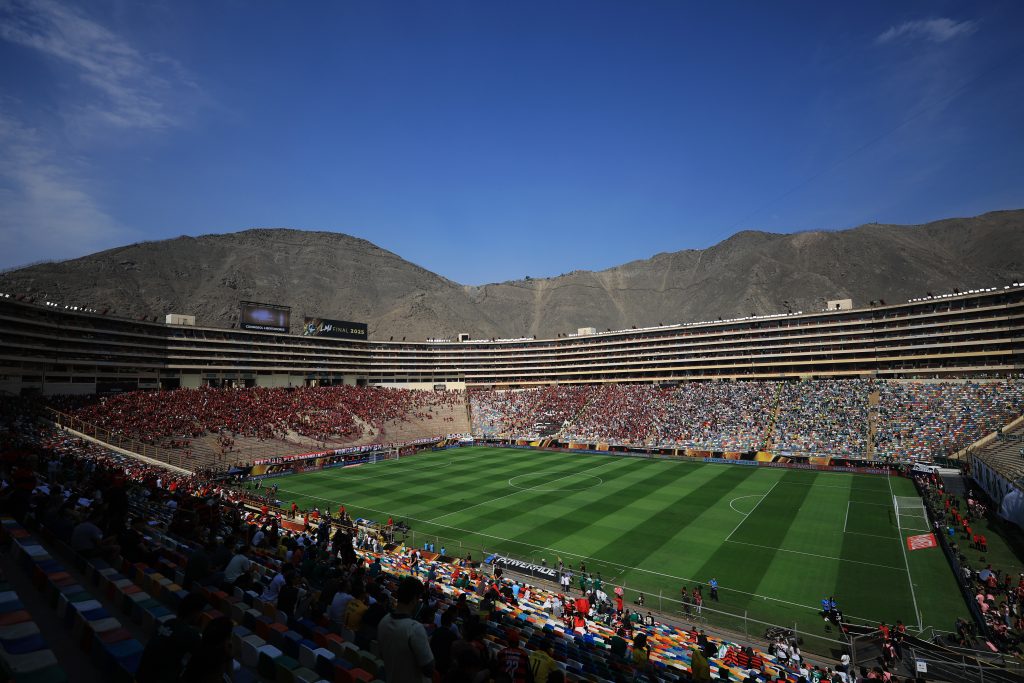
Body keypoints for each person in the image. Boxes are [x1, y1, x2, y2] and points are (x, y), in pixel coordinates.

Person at [135, 593, 205, 683]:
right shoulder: (190, 633)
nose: (200, 616)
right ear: (194, 612)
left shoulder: (168, 623)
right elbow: (204, 659)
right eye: (200, 612)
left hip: (142, 675)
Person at [377, 577, 434, 683]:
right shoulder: (415, 629)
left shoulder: (383, 621)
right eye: (418, 599)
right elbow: (429, 670)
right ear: (414, 599)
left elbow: (382, 654)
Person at [180, 616, 234, 682]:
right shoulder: (215, 662)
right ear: (224, 641)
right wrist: (229, 658)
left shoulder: (196, 648)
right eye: (229, 638)